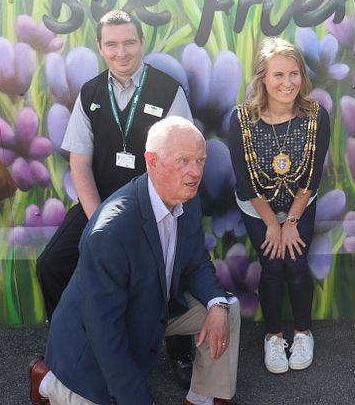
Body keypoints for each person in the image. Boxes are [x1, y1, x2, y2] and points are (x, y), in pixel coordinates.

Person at [29, 117, 241, 405]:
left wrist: (216, 306)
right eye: (183, 161)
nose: (195, 172)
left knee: (227, 307)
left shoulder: (187, 198)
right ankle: (47, 380)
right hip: (92, 342)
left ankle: (203, 398)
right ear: (152, 161)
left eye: (200, 160)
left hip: (151, 309)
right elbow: (105, 332)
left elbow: (197, 264)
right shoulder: (111, 231)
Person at [35, 9, 195, 384]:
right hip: (101, 203)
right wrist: (98, 222)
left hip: (156, 202)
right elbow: (80, 162)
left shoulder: (167, 90)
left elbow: (183, 158)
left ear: (141, 43)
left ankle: (180, 352)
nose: (121, 52)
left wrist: (157, 211)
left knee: (171, 269)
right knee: (51, 266)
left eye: (128, 43)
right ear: (99, 47)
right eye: (112, 44)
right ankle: (74, 341)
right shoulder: (90, 93)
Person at [228, 37, 330, 374]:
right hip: (257, 208)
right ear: (262, 79)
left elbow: (312, 178)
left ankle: (303, 332)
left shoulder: (316, 116)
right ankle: (273, 336)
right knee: (272, 263)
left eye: (294, 74)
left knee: (296, 263)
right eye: (278, 76)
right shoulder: (242, 119)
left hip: (300, 202)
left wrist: (292, 221)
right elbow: (245, 182)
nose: (287, 83)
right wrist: (273, 224)